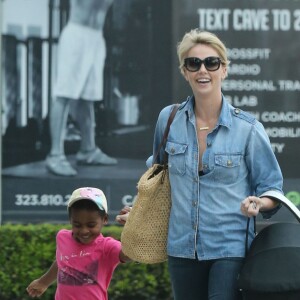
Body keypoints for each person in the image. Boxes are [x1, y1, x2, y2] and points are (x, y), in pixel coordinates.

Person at [116, 29, 284, 300]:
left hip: (230, 247)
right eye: (193, 63)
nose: (202, 69)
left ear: (224, 70)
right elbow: (159, 179)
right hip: (181, 248)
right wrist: (138, 212)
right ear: (184, 71)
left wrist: (259, 203)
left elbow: (272, 188)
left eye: (211, 62)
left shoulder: (248, 129)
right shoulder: (168, 119)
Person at [46, 0, 117, 177]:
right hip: (76, 35)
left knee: (88, 97)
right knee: (64, 95)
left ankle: (88, 149)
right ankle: (55, 155)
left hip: (96, 38)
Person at [26, 187, 130, 300]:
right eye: (77, 225)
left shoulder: (107, 246)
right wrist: (43, 282)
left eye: (91, 225)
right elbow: (62, 262)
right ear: (70, 220)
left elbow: (130, 254)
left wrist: (133, 226)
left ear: (104, 219)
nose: (84, 231)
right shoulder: (62, 237)